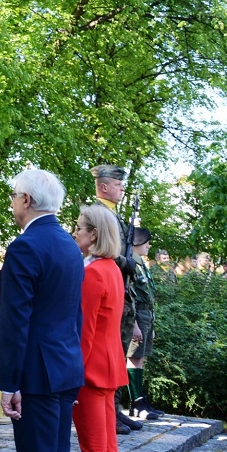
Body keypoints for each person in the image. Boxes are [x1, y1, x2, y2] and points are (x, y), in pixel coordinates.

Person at [0, 169, 85, 452]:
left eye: (15, 195)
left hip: (36, 377)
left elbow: (14, 322)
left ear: (27, 200)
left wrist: (9, 383)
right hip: (64, 369)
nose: (13, 202)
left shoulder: (25, 247)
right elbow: (74, 314)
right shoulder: (68, 244)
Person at [71, 203, 132, 452]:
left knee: (94, 449)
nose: (75, 232)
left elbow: (85, 332)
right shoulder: (111, 269)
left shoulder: (94, 272)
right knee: (107, 447)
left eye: (80, 227)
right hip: (107, 367)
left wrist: (71, 376)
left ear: (93, 235)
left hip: (90, 372)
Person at [90, 163, 141, 435]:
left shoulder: (114, 215)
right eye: (118, 184)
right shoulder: (97, 214)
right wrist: (123, 261)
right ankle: (109, 412)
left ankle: (116, 410)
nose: (122, 189)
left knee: (119, 355)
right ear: (104, 186)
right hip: (109, 288)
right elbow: (97, 248)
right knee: (110, 354)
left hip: (121, 290)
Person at [126, 227, 163, 420]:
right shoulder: (130, 263)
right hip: (137, 314)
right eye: (146, 242)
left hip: (146, 314)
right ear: (137, 243)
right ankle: (136, 402)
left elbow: (149, 295)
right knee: (134, 357)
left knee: (140, 358)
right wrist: (134, 324)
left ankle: (140, 399)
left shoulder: (141, 264)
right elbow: (129, 296)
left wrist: (152, 324)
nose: (148, 246)